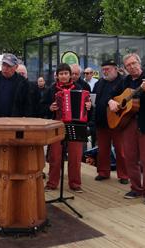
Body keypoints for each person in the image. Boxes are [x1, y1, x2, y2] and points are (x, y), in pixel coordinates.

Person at [108, 53, 145, 207]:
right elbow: (112, 94)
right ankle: (136, 188)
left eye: (134, 63)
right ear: (125, 68)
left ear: (139, 63)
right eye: (128, 65)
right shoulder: (125, 81)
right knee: (130, 159)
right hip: (128, 124)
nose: (132, 67)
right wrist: (111, 101)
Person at [0, 53, 33, 199]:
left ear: (15, 67)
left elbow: (28, 106)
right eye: (3, 64)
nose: (5, 68)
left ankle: (12, 188)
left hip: (14, 127)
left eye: (8, 66)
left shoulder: (23, 82)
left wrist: (24, 123)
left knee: (13, 159)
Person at [42, 63, 92, 193]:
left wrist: (88, 107)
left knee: (75, 155)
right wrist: (50, 108)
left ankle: (75, 183)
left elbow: (89, 109)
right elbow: (41, 106)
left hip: (76, 124)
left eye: (66, 73)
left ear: (70, 75)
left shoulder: (80, 88)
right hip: (57, 124)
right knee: (55, 155)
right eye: (61, 74)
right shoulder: (51, 89)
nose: (64, 76)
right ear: (57, 76)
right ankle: (52, 183)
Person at [92, 60, 128, 184]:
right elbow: (95, 100)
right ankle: (103, 172)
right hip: (101, 121)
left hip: (117, 122)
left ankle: (123, 175)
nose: (105, 71)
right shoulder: (99, 83)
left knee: (121, 150)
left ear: (115, 69)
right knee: (102, 150)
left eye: (108, 69)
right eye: (103, 69)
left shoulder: (123, 81)